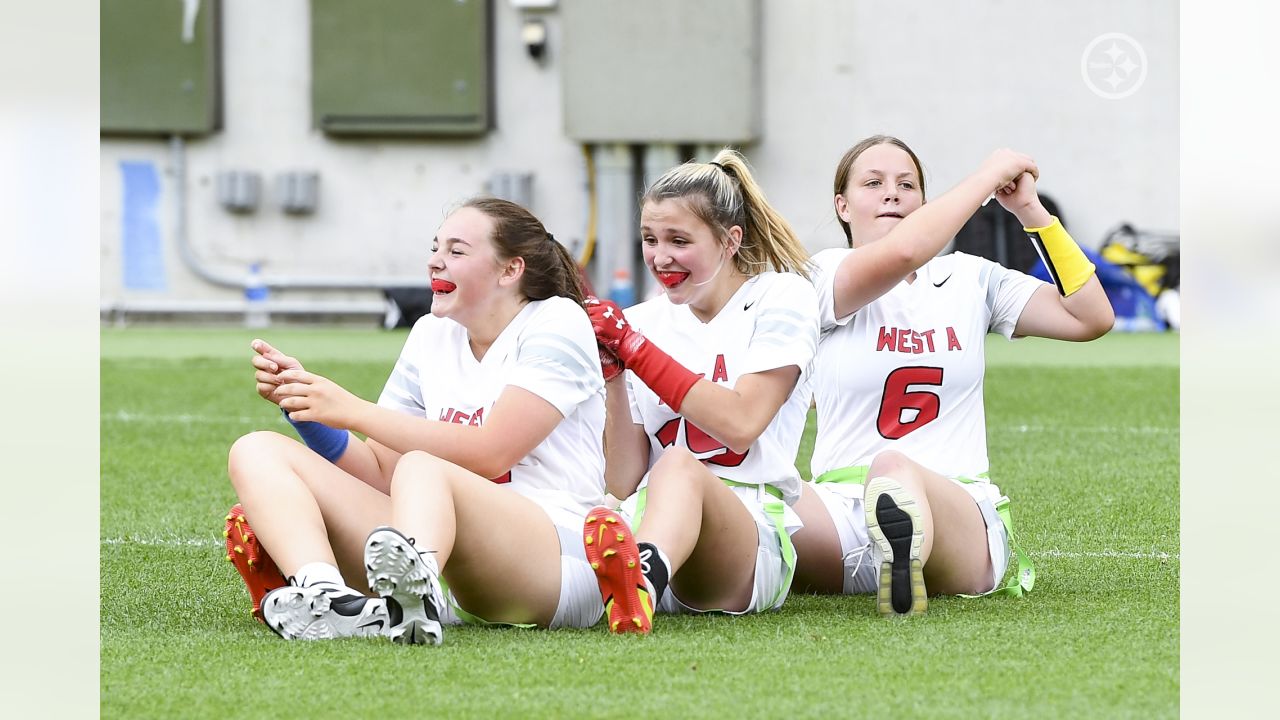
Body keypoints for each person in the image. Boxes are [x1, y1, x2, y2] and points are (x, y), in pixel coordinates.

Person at [223, 197, 608, 643]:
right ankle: (327, 598)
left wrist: (352, 409)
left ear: (510, 271)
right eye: (435, 247)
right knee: (255, 449)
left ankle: (411, 597)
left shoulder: (558, 319)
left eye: (457, 251)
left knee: (422, 465)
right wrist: (310, 412)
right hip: (449, 560)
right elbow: (384, 474)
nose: (435, 262)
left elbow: (492, 452)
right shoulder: (431, 332)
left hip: (558, 563)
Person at [787, 135, 1114, 615]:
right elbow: (902, 254)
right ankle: (661, 562)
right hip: (841, 511)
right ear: (842, 205)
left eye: (907, 184)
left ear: (923, 200)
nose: (892, 194)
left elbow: (1090, 317)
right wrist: (985, 178)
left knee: (893, 469)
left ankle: (904, 545)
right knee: (760, 498)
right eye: (873, 183)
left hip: (957, 511)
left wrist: (1028, 209)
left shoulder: (969, 278)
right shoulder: (821, 275)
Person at [581, 148, 818, 634]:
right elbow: (624, 479)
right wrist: (615, 378)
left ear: (731, 240)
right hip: (650, 521)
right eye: (649, 239)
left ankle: (639, 579)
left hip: (749, 541)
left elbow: (741, 423)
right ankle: (636, 573)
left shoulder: (780, 297)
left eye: (679, 240)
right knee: (632, 489)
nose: (660, 257)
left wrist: (632, 347)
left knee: (681, 467)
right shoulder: (646, 319)